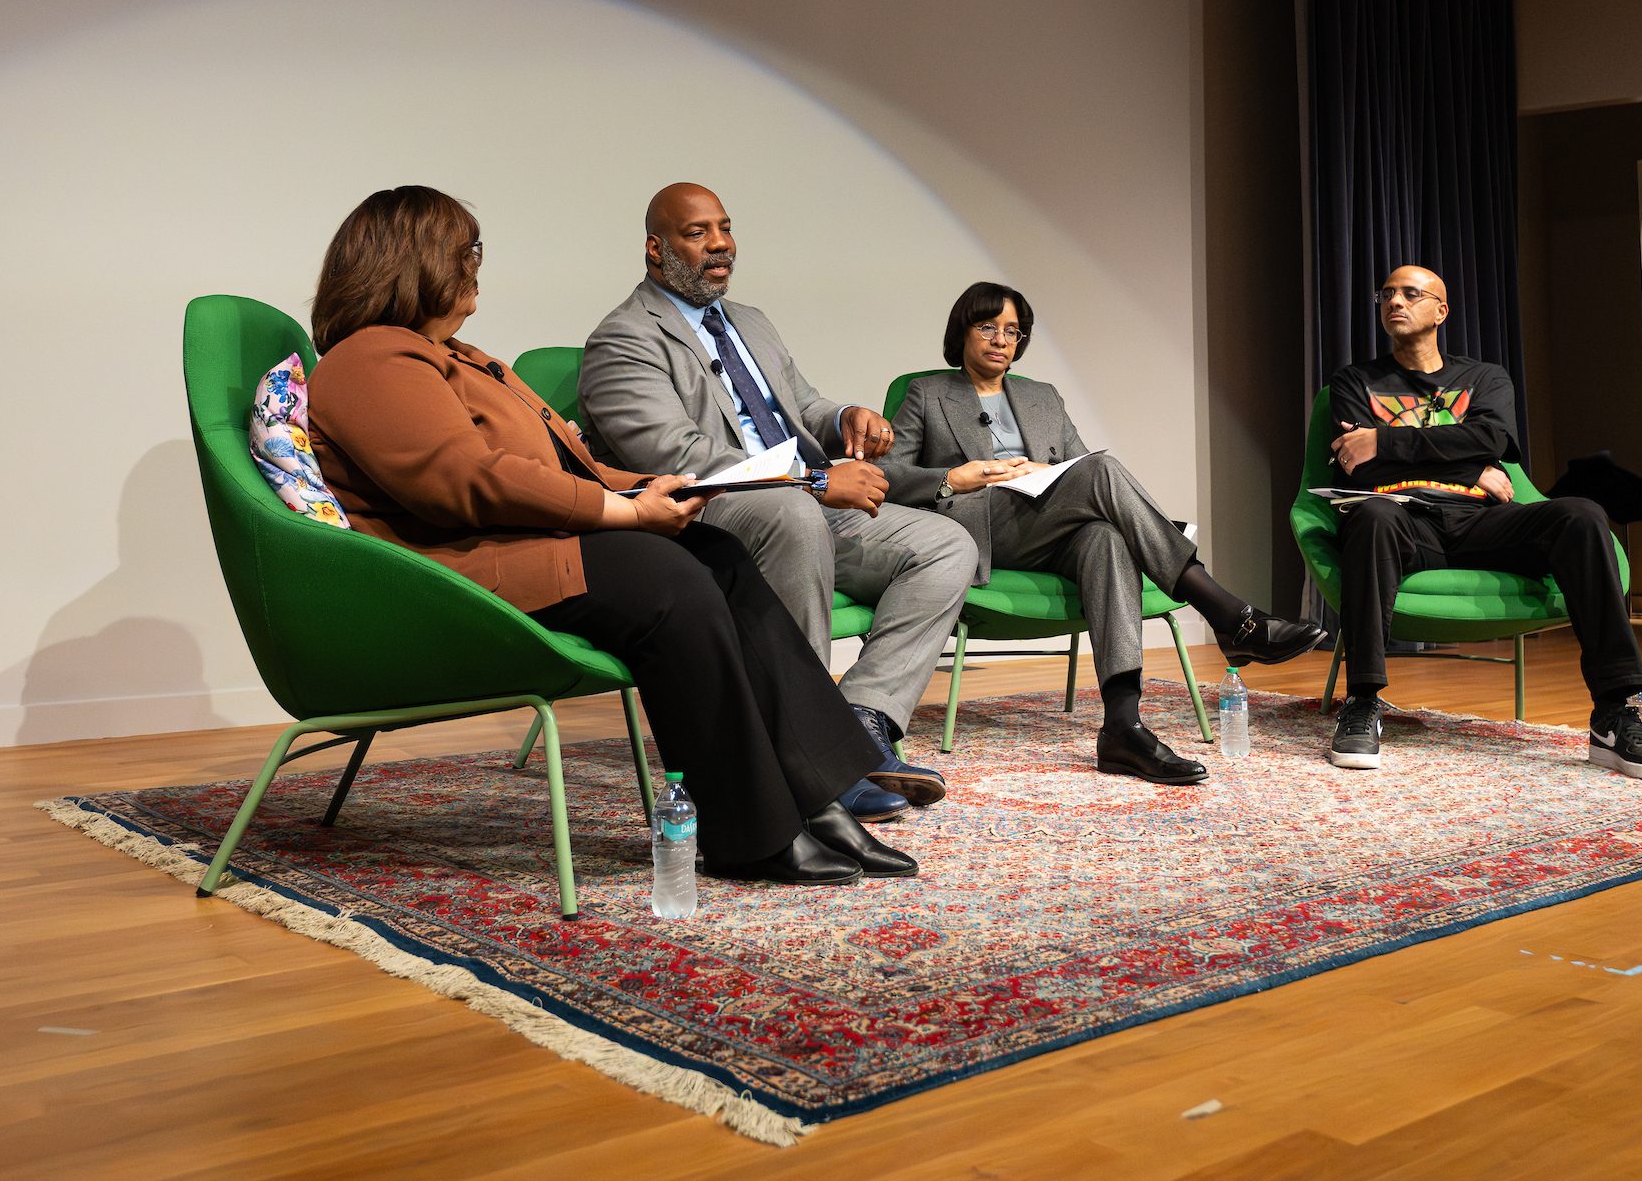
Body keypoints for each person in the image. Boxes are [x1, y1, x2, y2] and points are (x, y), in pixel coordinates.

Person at [302, 185, 916, 887]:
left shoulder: (460, 357)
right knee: (671, 586)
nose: (476, 267)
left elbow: (570, 463)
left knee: (716, 553)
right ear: (415, 262)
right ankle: (749, 832)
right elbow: (463, 480)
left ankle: (818, 795)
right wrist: (621, 513)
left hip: (521, 547)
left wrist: (649, 490)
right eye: (466, 251)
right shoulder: (372, 358)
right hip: (459, 574)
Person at [577, 183, 973, 824]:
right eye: (697, 232)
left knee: (945, 545)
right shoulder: (623, 340)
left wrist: (848, 415)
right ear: (656, 249)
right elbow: (679, 456)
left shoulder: (751, 322)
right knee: (789, 516)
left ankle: (862, 724)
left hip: (802, 504)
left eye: (725, 229)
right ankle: (811, 754)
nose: (720, 245)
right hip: (707, 518)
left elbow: (802, 409)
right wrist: (812, 484)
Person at [885, 283, 1326, 783]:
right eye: (988, 327)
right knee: (1102, 472)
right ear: (962, 331)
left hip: (1046, 525)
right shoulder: (927, 393)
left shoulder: (1041, 396)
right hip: (981, 527)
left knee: (1106, 538)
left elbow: (1079, 471)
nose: (1001, 340)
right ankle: (1228, 615)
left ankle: (1122, 727)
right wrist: (953, 477)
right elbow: (888, 477)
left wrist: (1037, 471)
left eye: (1013, 331)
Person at [1322, 265, 1642, 781]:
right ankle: (1362, 701)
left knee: (1581, 514)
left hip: (1481, 523)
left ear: (1441, 310)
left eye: (1410, 293)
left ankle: (1615, 712)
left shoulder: (1485, 378)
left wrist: (1385, 440)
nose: (1394, 302)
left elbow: (1493, 439)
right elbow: (1361, 463)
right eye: (1386, 294)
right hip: (1403, 519)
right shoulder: (1355, 381)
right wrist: (1468, 464)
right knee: (1371, 514)